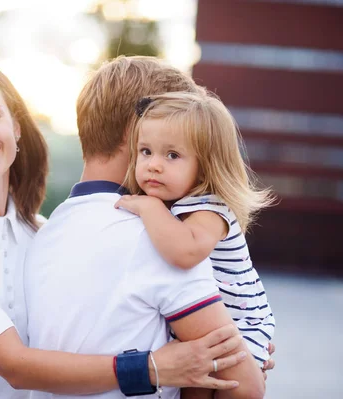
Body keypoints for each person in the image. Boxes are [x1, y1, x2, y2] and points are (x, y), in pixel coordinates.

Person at [0, 61, 247, 399]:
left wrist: (245, 340)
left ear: (16, 127)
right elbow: (15, 365)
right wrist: (153, 367)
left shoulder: (40, 234)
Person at [25, 56, 270, 399]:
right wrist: (251, 355)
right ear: (137, 132)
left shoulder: (45, 235)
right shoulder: (154, 237)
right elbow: (243, 384)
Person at [115, 91, 276, 398]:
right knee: (194, 388)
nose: (153, 165)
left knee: (237, 389)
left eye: (172, 155)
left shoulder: (210, 209)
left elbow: (185, 253)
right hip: (202, 331)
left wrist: (149, 208)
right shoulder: (174, 206)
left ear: (205, 166)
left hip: (241, 325)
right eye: (146, 151)